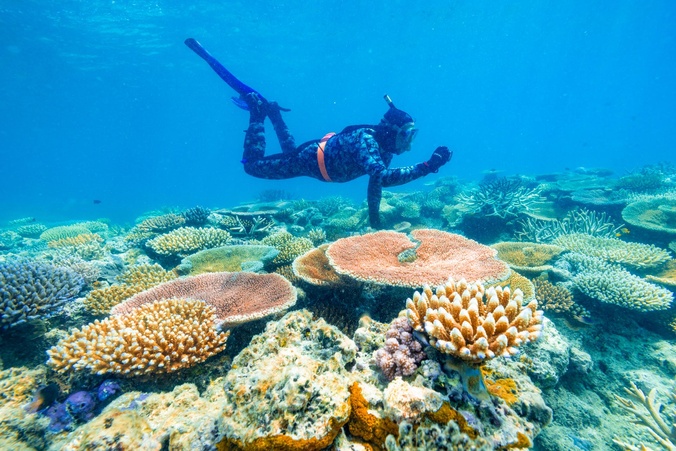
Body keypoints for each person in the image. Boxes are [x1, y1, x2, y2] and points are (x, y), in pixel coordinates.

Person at [239, 93, 452, 228]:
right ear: (391, 131)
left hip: (317, 162)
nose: (409, 145)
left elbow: (376, 182)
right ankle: (257, 113)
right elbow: (383, 178)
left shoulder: (384, 149)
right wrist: (427, 167)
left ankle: (274, 114)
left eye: (412, 135)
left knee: (290, 154)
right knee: (252, 166)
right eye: (406, 136)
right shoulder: (367, 140)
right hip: (311, 161)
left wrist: (374, 218)